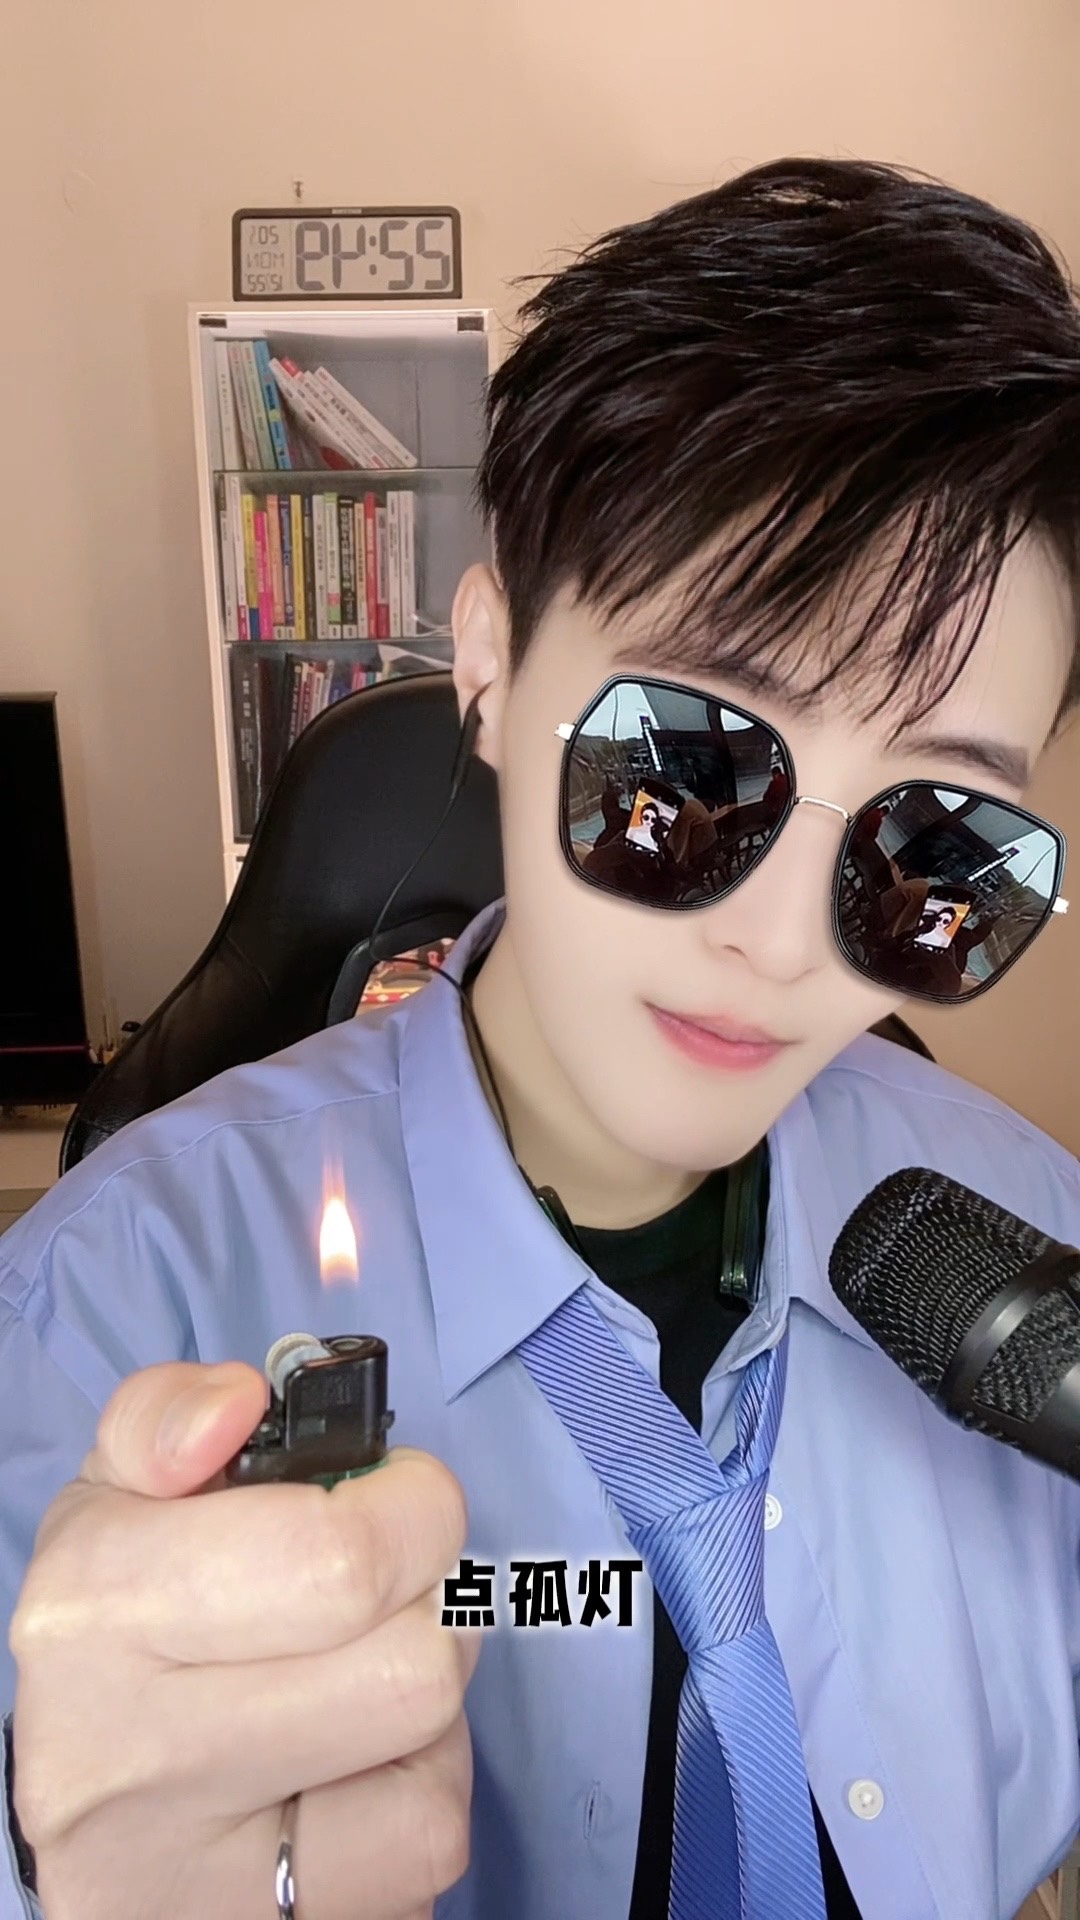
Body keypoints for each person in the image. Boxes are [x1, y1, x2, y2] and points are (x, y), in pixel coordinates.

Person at [4, 156, 1080, 1920]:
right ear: (494, 665)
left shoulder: (1041, 1263)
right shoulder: (104, 1311)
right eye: (687, 767)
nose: (783, 944)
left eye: (934, 843)